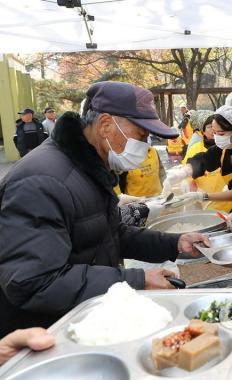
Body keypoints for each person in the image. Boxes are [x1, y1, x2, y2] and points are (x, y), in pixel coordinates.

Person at [0, 81, 209, 337]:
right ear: (106, 124)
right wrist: (136, 281)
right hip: (47, 336)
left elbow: (111, 235)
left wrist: (175, 243)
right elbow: (34, 282)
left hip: (86, 320)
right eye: (141, 136)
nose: (145, 147)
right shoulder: (41, 180)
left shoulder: (88, 168)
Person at [165, 106, 232, 216]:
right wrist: (183, 173)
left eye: (221, 134)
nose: (216, 137)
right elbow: (202, 160)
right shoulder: (223, 150)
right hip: (229, 212)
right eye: (214, 132)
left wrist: (203, 197)